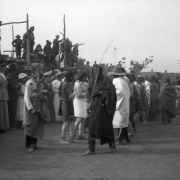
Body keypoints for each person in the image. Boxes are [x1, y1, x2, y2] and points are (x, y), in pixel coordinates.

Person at [83, 64, 117, 156]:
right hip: (94, 106)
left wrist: (100, 92)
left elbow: (112, 92)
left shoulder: (106, 80)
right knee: (92, 126)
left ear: (101, 71)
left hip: (104, 107)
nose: (95, 72)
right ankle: (91, 148)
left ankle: (112, 146)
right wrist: (89, 101)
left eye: (97, 70)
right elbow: (89, 94)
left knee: (107, 126)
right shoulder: (91, 81)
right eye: (93, 70)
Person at [108, 66, 131, 145]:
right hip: (124, 103)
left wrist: (112, 95)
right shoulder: (124, 80)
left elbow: (119, 92)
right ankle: (125, 137)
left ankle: (121, 139)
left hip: (119, 103)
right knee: (123, 121)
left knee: (120, 122)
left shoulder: (116, 81)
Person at [24, 76, 46, 152]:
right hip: (32, 109)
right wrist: (31, 108)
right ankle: (30, 145)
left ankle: (34, 143)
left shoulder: (38, 84)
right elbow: (27, 97)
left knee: (37, 126)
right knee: (31, 126)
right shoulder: (29, 84)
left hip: (38, 108)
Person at [59, 70, 80, 144]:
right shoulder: (65, 84)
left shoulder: (69, 83)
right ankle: (62, 138)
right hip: (65, 104)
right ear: (70, 76)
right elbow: (70, 95)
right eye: (73, 76)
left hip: (69, 104)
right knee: (66, 122)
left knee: (72, 121)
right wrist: (77, 91)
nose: (74, 77)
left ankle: (72, 137)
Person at [73, 71, 88, 140]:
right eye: (85, 76)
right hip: (79, 102)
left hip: (83, 101)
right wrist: (86, 94)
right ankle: (73, 135)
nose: (86, 78)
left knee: (83, 119)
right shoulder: (77, 84)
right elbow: (78, 95)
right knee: (79, 119)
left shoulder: (82, 83)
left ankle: (80, 134)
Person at [7, 63, 20, 130]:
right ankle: (11, 125)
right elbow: (14, 88)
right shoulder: (9, 77)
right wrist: (18, 86)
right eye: (15, 70)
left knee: (14, 111)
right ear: (12, 70)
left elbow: (17, 85)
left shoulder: (12, 77)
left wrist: (17, 86)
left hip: (13, 96)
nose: (16, 72)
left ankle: (12, 124)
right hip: (11, 96)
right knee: (12, 111)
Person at [0, 62, 9, 132]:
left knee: (4, 110)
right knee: (1, 110)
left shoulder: (3, 74)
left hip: (4, 93)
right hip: (1, 94)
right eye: (3, 67)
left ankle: (3, 126)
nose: (4, 68)